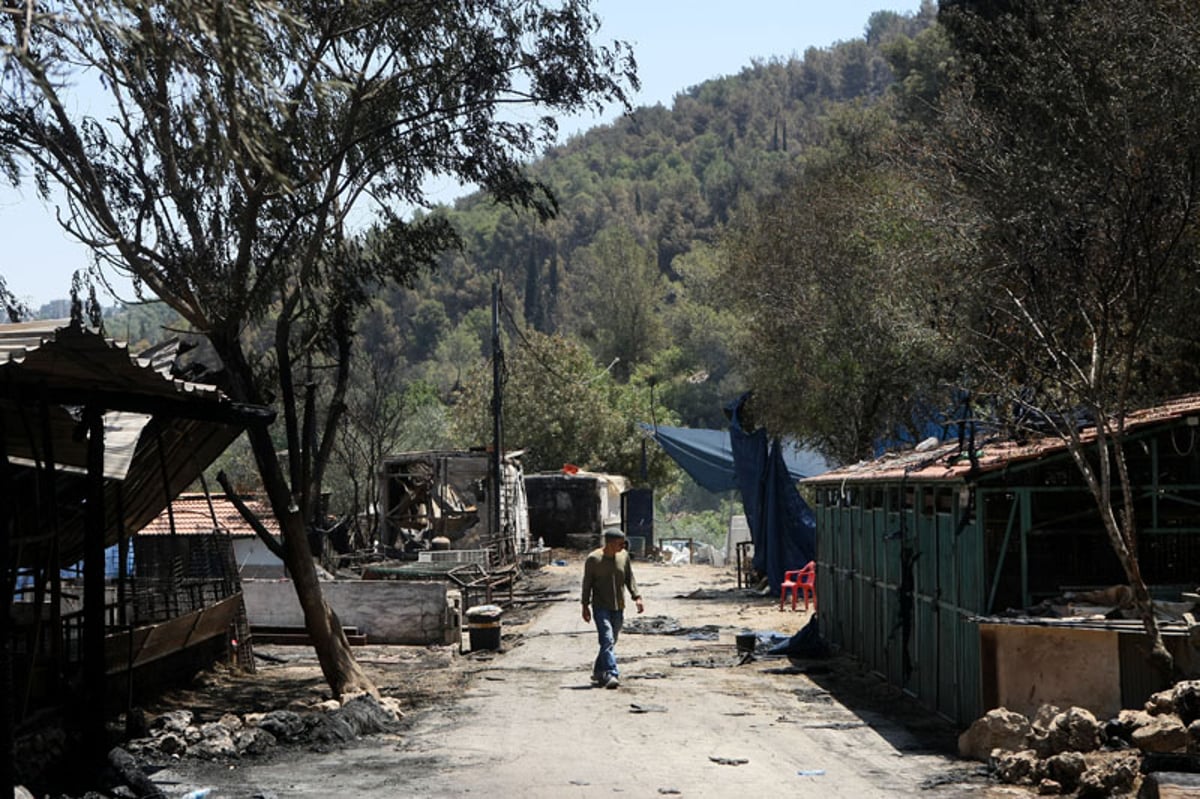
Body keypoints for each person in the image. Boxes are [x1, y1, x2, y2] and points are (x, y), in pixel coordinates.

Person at [581, 526, 644, 689]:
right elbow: (587, 584)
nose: (623, 547)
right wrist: (585, 605)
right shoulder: (594, 559)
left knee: (611, 641)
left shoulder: (623, 557)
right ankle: (611, 673)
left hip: (618, 606)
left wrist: (636, 597)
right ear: (609, 544)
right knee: (607, 638)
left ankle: (597, 671)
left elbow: (630, 578)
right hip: (600, 606)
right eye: (619, 544)